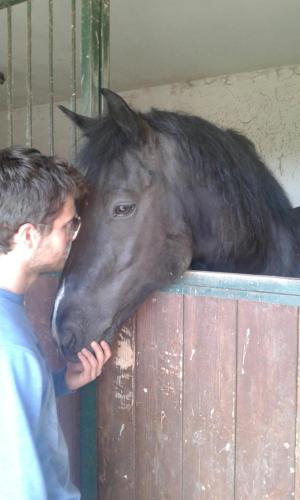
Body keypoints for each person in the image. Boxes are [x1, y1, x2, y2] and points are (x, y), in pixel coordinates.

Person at [0, 146, 111, 499]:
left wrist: (62, 381)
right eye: (68, 225)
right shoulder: (9, 349)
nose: (73, 237)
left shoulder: (10, 311)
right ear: (29, 235)